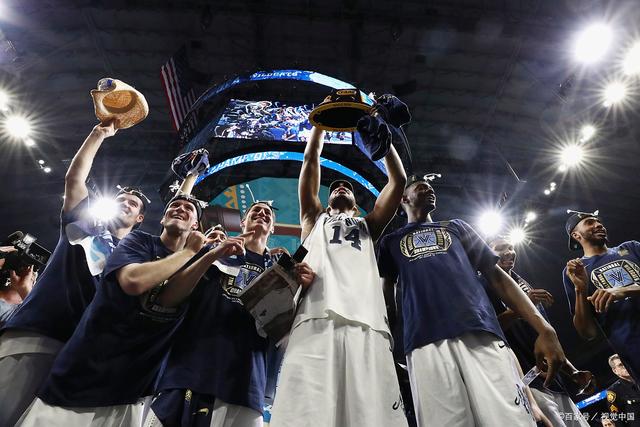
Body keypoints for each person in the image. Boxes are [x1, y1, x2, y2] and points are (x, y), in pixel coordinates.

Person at [16, 194, 246, 426]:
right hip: (81, 376)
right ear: (162, 218)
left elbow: (168, 299)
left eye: (188, 208)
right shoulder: (137, 241)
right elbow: (133, 281)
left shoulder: (197, 266)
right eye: (175, 205)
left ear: (195, 225)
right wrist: (188, 252)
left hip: (132, 390)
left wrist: (212, 254)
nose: (180, 209)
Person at [376, 174, 566, 426]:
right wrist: (385, 346)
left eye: (431, 188)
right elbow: (386, 299)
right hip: (422, 343)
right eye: (422, 187)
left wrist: (545, 328)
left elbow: (498, 278)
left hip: (480, 332)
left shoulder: (457, 226)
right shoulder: (389, 242)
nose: (430, 190)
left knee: (511, 419)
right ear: (403, 198)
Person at [0, 122, 149, 427]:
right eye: (121, 199)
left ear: (140, 218)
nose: (125, 203)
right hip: (36, 334)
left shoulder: (134, 263)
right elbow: (74, 179)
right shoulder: (84, 227)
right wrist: (98, 134)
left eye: (133, 203)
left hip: (79, 357)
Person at [269, 126, 409, 427]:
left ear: (356, 206)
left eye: (347, 187)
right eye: (335, 187)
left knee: (368, 416)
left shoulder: (368, 225)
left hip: (368, 321)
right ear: (327, 198)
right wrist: (319, 125)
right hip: (315, 315)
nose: (341, 187)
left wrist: (385, 147)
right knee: (305, 413)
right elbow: (310, 160)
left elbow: (398, 182)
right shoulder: (313, 218)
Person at [147, 201, 314, 427]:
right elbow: (168, 297)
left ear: (273, 228)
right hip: (190, 373)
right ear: (243, 222)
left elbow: (286, 335)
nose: (262, 213)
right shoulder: (215, 252)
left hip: (247, 384)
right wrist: (211, 254)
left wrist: (305, 291)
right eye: (256, 210)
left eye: (268, 213)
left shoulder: (283, 271)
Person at [487, 237, 592, 427]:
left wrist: (572, 371)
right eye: (501, 248)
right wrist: (521, 306)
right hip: (526, 382)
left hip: (554, 381)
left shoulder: (523, 284)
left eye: (511, 247)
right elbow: (489, 329)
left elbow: (545, 337)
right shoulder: (482, 284)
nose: (509, 252)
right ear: (485, 252)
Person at [563, 211, 640, 384]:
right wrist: (580, 289)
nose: (598, 225)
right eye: (589, 223)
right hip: (633, 350)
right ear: (576, 235)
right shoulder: (575, 270)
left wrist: (625, 290)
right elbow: (588, 333)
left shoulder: (631, 248)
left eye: (598, 222)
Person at [606, 354, 640, 426]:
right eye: (620, 365)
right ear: (615, 371)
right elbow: (616, 417)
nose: (625, 366)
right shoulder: (613, 391)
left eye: (625, 363)